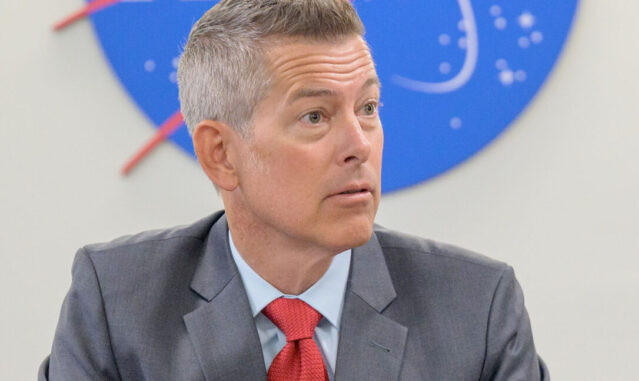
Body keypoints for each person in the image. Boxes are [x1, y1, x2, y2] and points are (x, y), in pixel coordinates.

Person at [39, 1, 549, 380]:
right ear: (220, 153)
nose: (358, 146)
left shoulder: (477, 307)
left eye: (368, 108)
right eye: (314, 116)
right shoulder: (116, 305)